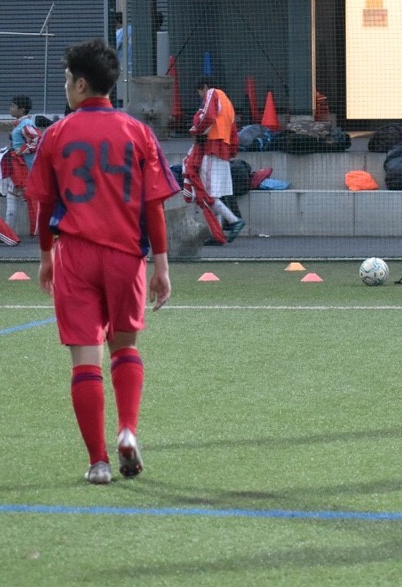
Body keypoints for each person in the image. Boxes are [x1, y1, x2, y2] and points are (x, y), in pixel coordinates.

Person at [24, 39, 179, 485]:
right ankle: (128, 430)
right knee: (125, 348)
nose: (66, 87)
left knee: (84, 361)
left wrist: (46, 256)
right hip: (126, 256)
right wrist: (162, 266)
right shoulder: (138, 131)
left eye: (68, 80)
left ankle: (98, 462)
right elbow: (154, 205)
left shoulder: (56, 134)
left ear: (82, 83)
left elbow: (43, 205)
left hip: (74, 254)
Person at [188, 76, 245, 243]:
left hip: (213, 147)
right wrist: (232, 150)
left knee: (208, 193)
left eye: (200, 93)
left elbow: (208, 115)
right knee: (215, 194)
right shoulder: (228, 103)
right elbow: (234, 131)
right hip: (224, 150)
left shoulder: (213, 93)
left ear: (205, 87)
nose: (201, 97)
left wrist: (196, 130)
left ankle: (234, 221)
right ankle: (217, 234)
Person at [0, 95, 41, 235]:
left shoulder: (26, 125)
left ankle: (8, 231)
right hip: (21, 167)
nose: (10, 109)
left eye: (12, 106)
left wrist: (22, 150)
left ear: (21, 109)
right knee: (18, 197)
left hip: (25, 168)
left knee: (18, 197)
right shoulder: (22, 124)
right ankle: (9, 230)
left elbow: (38, 139)